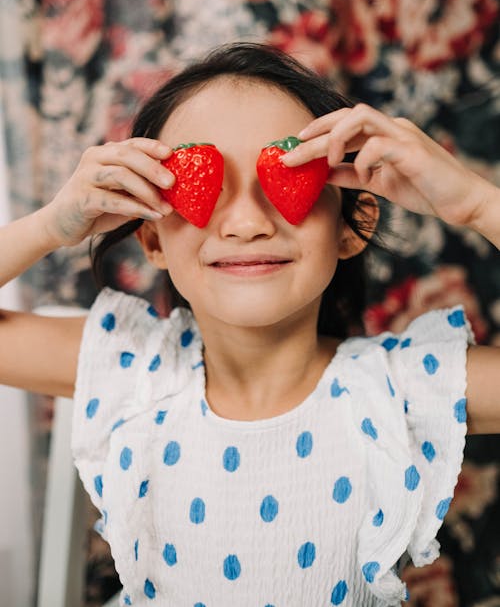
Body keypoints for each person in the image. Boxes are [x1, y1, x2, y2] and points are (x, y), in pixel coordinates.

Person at [1, 43, 499, 607]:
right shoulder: (133, 370)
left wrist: (474, 203)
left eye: (287, 181)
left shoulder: (403, 389)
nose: (245, 223)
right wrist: (50, 226)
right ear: (153, 238)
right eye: (207, 193)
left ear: (351, 227)